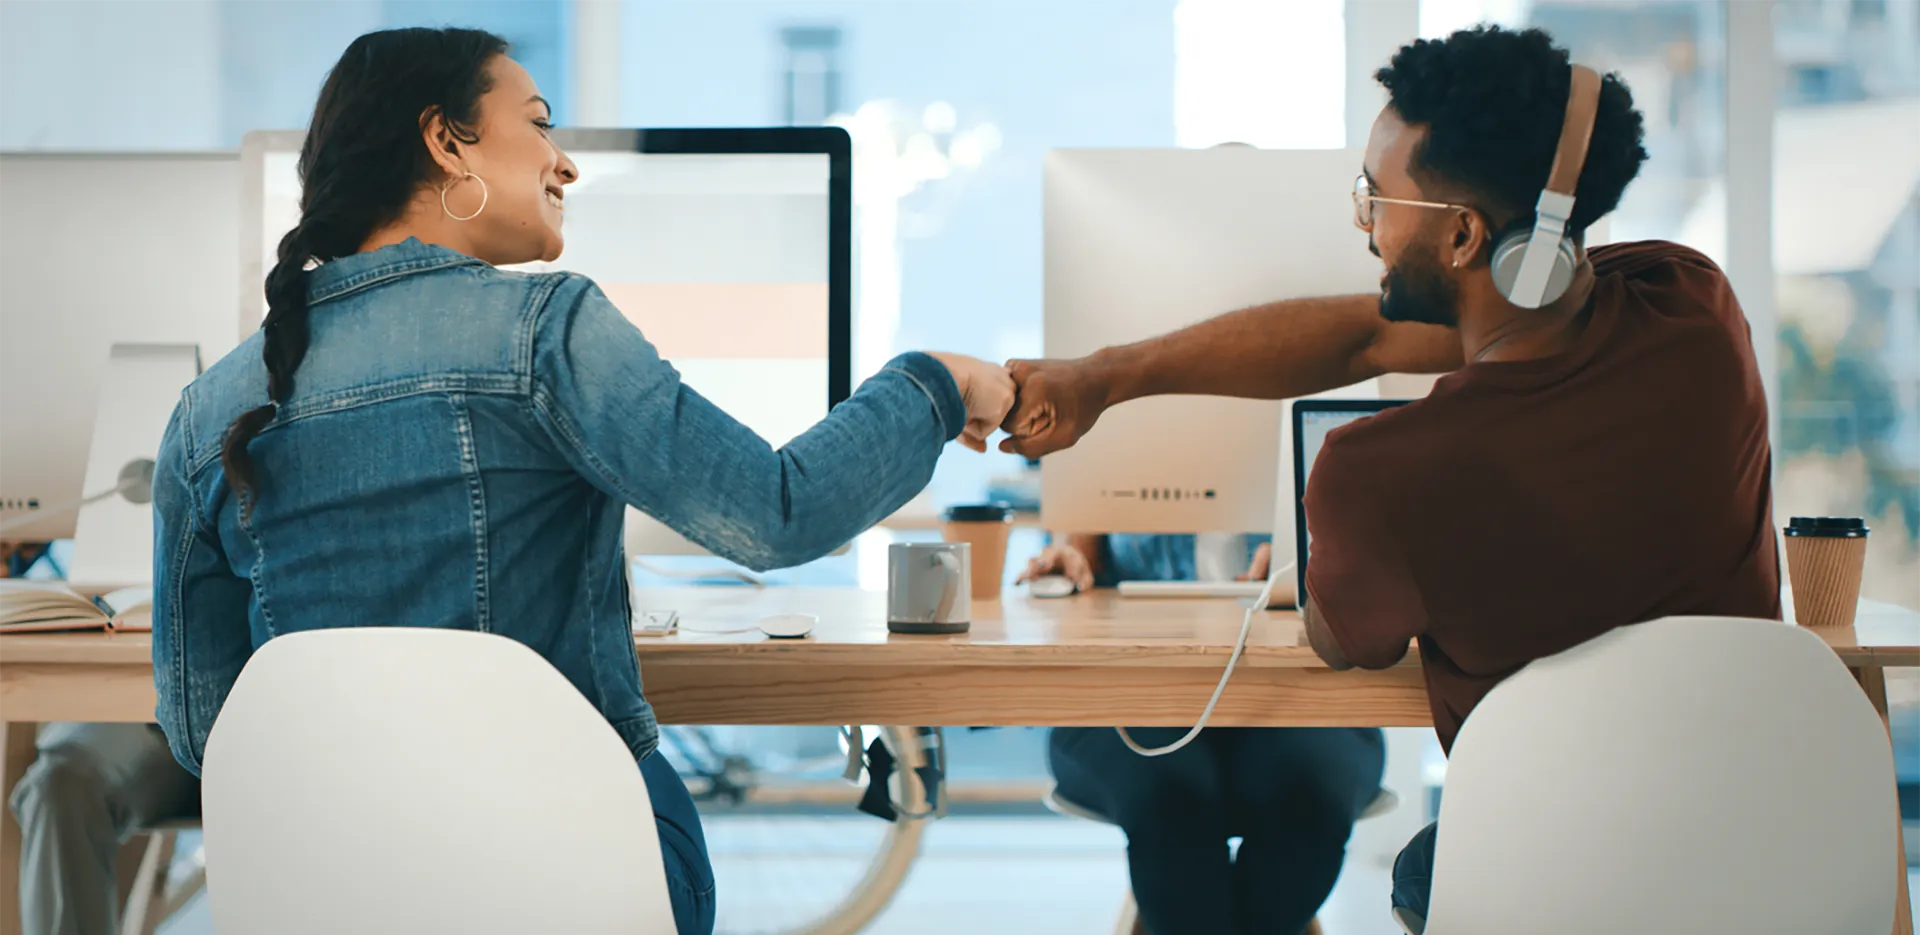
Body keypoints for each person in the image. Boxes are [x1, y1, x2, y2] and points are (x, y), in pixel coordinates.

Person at [148, 28, 1013, 935]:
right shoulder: (545, 330)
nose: (564, 164)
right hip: (573, 885)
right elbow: (777, 514)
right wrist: (935, 386)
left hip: (331, 898)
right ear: (447, 141)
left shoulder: (207, 413)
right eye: (538, 123)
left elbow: (207, 731)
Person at [999, 26, 1773, 933]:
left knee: (1420, 863)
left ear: (1462, 233)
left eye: (1374, 195)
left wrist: (1309, 564)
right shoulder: (1693, 307)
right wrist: (1107, 376)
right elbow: (1368, 335)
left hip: (1557, 872)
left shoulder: (1382, 475)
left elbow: (1337, 639)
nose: (1361, 220)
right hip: (1765, 837)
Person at [1023, 534, 1384, 935]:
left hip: (1291, 688)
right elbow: (1079, 543)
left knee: (1309, 788)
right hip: (1134, 690)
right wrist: (1072, 557)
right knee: (1171, 793)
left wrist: (1307, 554)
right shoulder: (1098, 476)